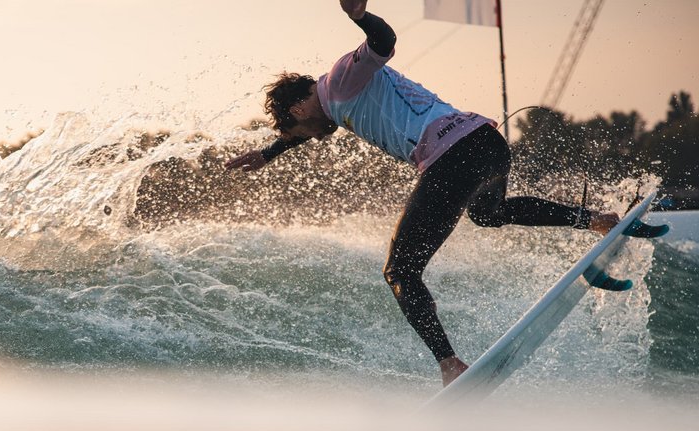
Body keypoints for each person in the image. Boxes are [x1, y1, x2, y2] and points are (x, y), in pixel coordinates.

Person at [225, 0, 619, 386]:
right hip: (486, 143)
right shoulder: (336, 98)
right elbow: (307, 131)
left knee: (400, 270)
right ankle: (596, 220)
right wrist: (268, 153)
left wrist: (361, 16)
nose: (311, 138)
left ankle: (450, 365)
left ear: (296, 111)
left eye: (299, 132)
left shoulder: (341, 80)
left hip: (452, 158)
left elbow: (383, 42)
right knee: (488, 213)